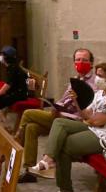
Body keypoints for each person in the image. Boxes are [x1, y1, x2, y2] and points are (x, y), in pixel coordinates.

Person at [31, 63, 106, 192]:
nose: (97, 79)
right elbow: (86, 114)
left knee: (65, 144)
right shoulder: (100, 94)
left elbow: (97, 121)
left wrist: (88, 120)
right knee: (60, 122)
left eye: (101, 76)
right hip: (98, 130)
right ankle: (48, 160)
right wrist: (76, 101)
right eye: (97, 75)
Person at [16, 48, 97, 183]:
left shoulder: (94, 83)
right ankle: (29, 170)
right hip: (61, 115)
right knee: (31, 127)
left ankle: (17, 140)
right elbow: (64, 99)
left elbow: (90, 109)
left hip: (75, 122)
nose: (80, 62)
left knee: (28, 113)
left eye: (84, 60)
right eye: (77, 60)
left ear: (92, 63)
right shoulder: (75, 80)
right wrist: (56, 107)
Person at [0, 45, 28, 110]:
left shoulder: (13, 68)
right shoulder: (11, 67)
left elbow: (8, 84)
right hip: (15, 92)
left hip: (19, 95)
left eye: (2, 55)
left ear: (7, 57)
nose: (0, 56)